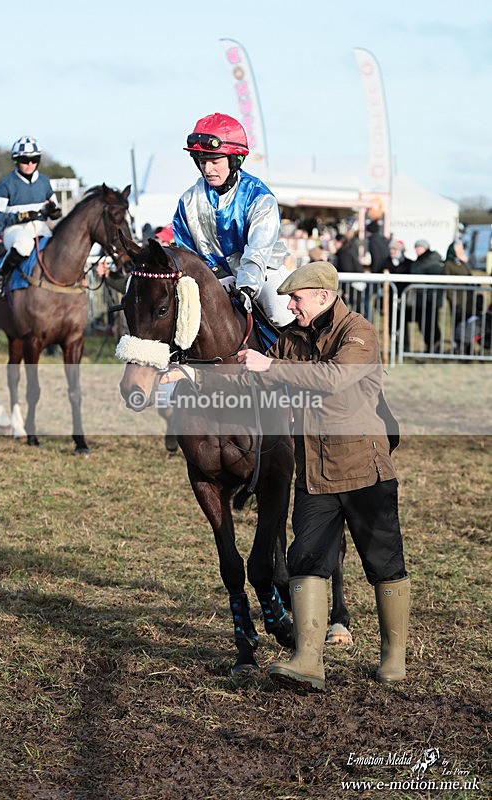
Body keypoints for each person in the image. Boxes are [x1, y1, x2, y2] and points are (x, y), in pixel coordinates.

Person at [235, 261, 409, 691]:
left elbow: (333, 377)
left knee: (383, 563)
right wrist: (192, 374)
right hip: (313, 473)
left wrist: (267, 367)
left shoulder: (358, 332)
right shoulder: (291, 339)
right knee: (306, 560)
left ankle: (393, 658)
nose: (290, 306)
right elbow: (258, 380)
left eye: (296, 299)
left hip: (365, 470)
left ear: (324, 296)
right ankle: (308, 660)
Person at [172, 113, 294, 328]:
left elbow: (258, 250)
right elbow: (185, 251)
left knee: (281, 314)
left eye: (215, 161)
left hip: (262, 270)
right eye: (202, 161)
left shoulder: (259, 198)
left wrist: (246, 287)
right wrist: (215, 276)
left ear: (235, 160)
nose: (207, 169)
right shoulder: (188, 200)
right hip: (212, 277)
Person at [0, 136, 62, 296]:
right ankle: (1, 275)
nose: (30, 164)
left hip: (41, 228)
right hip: (15, 230)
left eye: (34, 159)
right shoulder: (6, 184)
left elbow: (56, 211)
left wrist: (54, 212)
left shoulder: (44, 181)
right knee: (24, 244)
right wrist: (21, 216)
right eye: (24, 160)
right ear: (16, 161)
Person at [406, 239, 444, 351]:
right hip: (420, 300)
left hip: (430, 300)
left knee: (431, 324)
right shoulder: (419, 261)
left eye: (419, 247)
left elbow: (435, 283)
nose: (417, 249)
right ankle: (430, 346)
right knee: (423, 324)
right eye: (416, 247)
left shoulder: (432, 262)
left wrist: (431, 298)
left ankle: (435, 346)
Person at [443, 240, 482, 328]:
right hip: (458, 301)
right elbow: (447, 284)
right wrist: (454, 301)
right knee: (459, 325)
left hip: (469, 300)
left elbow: (469, 276)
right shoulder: (448, 264)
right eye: (460, 249)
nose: (462, 251)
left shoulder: (462, 263)